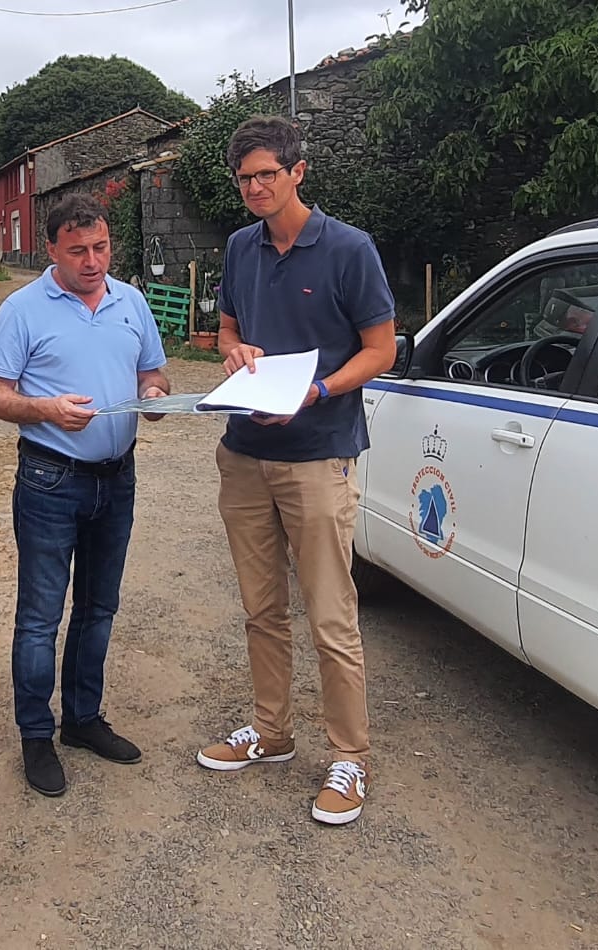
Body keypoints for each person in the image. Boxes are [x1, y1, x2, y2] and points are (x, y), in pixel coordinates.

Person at [195, 116, 397, 827]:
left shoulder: (348, 249)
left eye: (266, 175)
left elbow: (382, 350)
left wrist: (316, 392)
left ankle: (350, 756)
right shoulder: (240, 247)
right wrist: (234, 352)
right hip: (245, 453)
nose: (254, 188)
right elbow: (225, 327)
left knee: (331, 615)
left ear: (298, 172)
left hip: (317, 454)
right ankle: (271, 731)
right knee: (261, 610)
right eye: (245, 177)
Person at [0, 193, 171, 797]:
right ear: (51, 249)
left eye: (101, 248)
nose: (93, 262)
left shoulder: (130, 301)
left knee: (99, 607)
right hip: (50, 478)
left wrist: (156, 394)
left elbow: (153, 372)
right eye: (78, 250)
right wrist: (43, 409)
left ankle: (83, 720)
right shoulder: (22, 309)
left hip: (118, 477)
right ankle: (36, 735)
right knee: (40, 618)